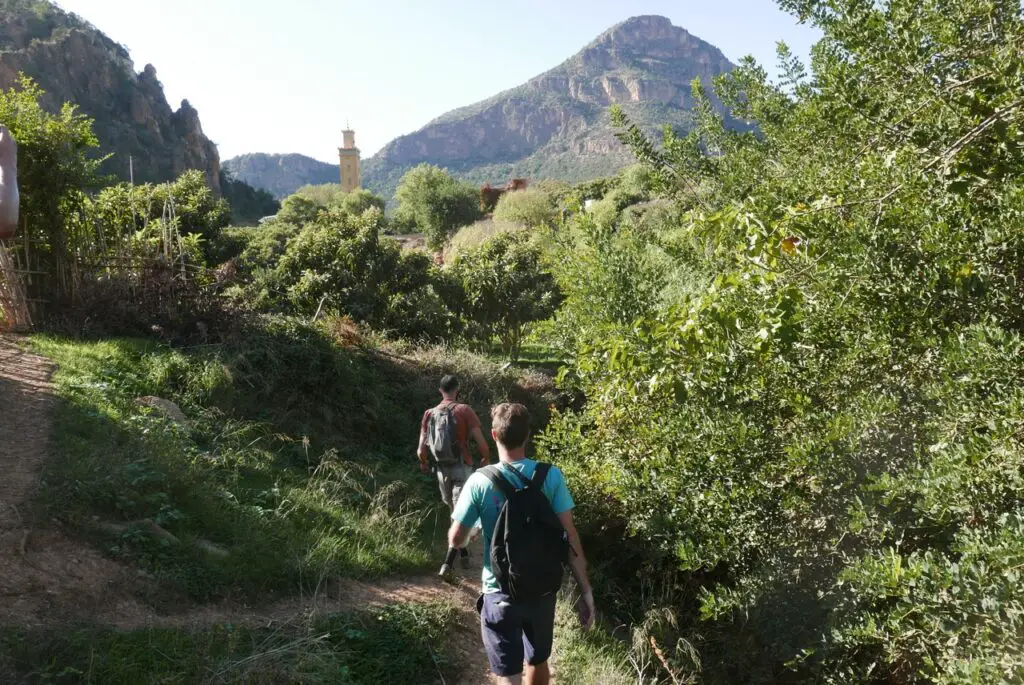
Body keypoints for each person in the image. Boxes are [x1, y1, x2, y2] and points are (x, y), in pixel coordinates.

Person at [448, 403, 594, 685]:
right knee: (538, 659)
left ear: (493, 434)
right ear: (528, 435)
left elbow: (456, 539)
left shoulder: (479, 481)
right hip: (541, 591)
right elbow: (570, 537)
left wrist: (474, 532)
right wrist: (585, 590)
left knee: (508, 674)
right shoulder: (550, 476)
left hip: (499, 591)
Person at [417, 374, 491, 568]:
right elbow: (481, 441)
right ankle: (451, 561)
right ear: (457, 390)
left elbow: (420, 450)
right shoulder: (464, 410)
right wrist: (486, 458)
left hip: (441, 469)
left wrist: (424, 463)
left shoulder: (429, 413)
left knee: (454, 510)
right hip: (462, 466)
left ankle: (460, 554)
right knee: (462, 511)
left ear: (440, 391)